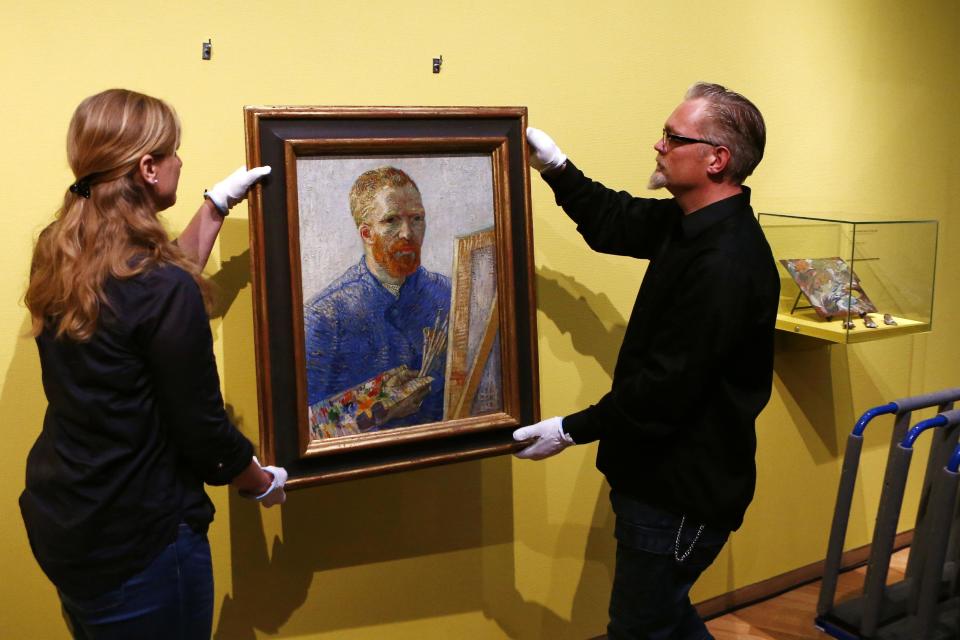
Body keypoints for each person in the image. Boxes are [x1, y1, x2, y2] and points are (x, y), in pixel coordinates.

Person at [513, 82, 779, 639]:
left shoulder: (725, 262)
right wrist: (557, 168)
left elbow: (665, 389)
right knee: (662, 620)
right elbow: (616, 221)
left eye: (672, 136)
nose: (658, 145)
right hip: (661, 484)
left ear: (716, 159)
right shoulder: (691, 223)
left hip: (678, 496)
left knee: (640, 628)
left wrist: (569, 429)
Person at [19, 88, 286, 640]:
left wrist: (214, 206)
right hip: (141, 542)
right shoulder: (158, 287)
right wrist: (259, 481)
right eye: (172, 151)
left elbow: (145, 295)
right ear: (147, 168)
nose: (179, 161)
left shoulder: (59, 248)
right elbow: (204, 430)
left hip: (68, 516)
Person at [303, 166, 450, 429]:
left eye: (416, 218)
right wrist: (380, 408)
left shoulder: (450, 295)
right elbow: (305, 426)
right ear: (366, 233)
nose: (407, 232)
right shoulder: (324, 316)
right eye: (391, 220)